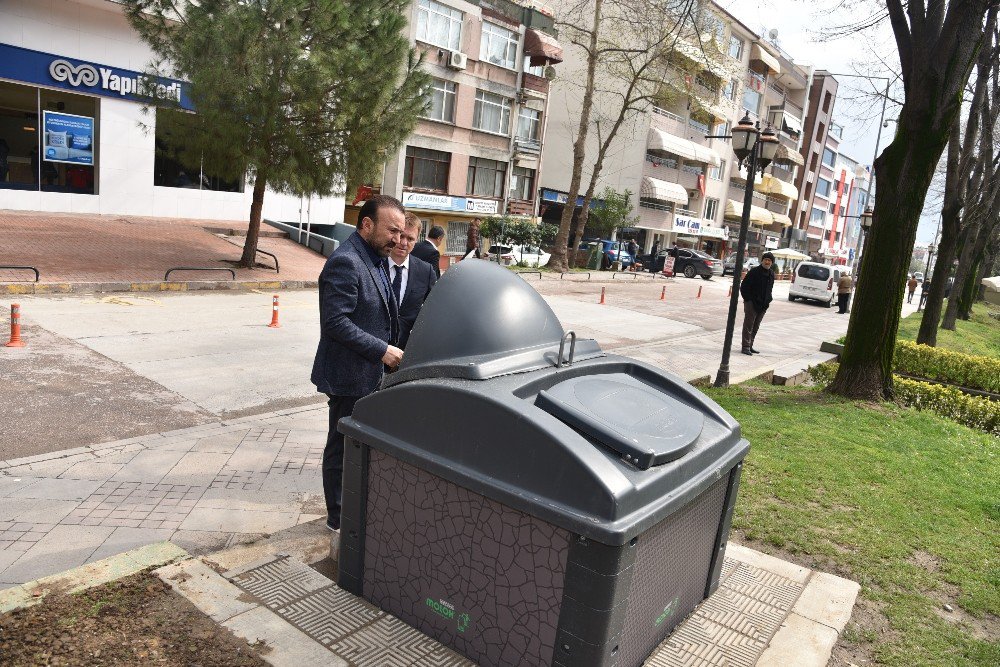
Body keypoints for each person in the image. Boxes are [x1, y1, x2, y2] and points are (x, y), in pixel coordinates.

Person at [311, 195, 405, 532]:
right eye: (392, 230)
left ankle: (356, 506)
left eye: (402, 232)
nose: (398, 239)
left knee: (360, 445)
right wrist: (383, 350)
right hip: (349, 375)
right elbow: (336, 323)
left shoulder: (376, 259)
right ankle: (336, 520)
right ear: (366, 224)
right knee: (341, 446)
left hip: (371, 375)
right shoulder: (346, 262)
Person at [391, 213, 438, 348]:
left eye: (410, 238)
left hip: (407, 350)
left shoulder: (426, 271)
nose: (404, 243)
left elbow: (434, 308)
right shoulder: (374, 264)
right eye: (401, 236)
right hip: (372, 349)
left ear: (417, 240)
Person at [739, 252, 775, 355]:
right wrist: (748, 300)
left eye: (769, 260)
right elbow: (744, 286)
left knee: (756, 326)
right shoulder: (754, 272)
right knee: (748, 325)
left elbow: (770, 289)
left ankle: (750, 345)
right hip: (752, 303)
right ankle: (745, 346)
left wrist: (768, 300)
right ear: (762, 260)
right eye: (766, 260)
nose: (767, 262)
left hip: (763, 305)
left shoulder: (771, 274)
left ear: (772, 262)